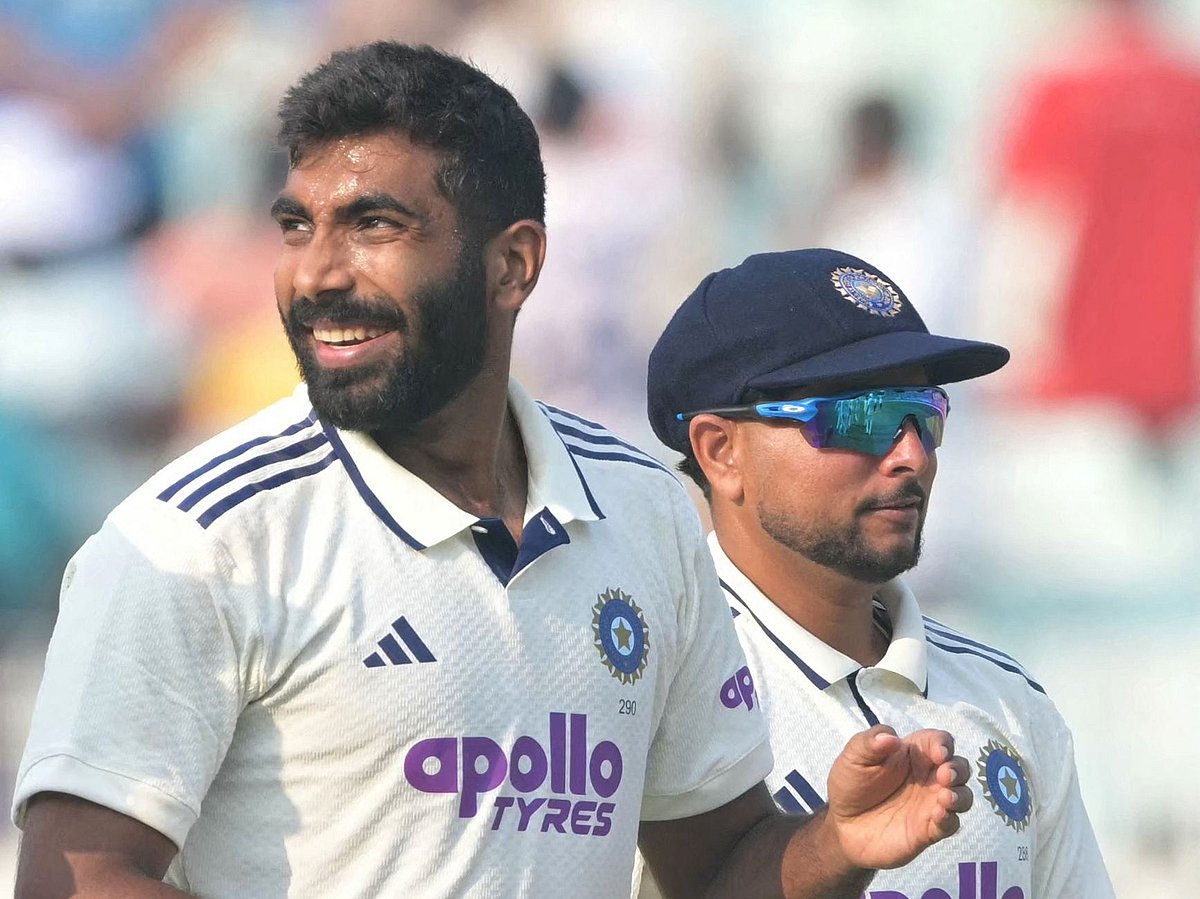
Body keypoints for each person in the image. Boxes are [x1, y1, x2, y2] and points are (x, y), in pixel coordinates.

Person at [11, 45, 971, 899]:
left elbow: (716, 869)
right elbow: (73, 879)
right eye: (298, 226)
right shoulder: (199, 538)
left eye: (374, 225)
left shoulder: (642, 510)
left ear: (513, 265)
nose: (317, 273)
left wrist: (832, 848)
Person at [644, 248, 1116, 898]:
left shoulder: (1009, 703)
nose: (912, 455)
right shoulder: (648, 690)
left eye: (924, 412)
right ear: (721, 451)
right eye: (863, 416)